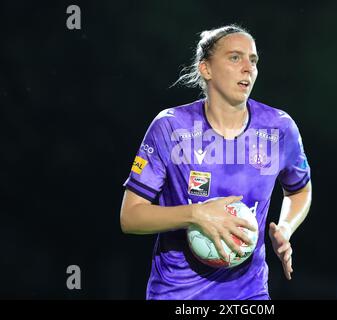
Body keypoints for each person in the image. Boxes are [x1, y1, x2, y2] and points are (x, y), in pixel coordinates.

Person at [120, 24, 312, 300]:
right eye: (235, 57)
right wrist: (196, 215)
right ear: (206, 69)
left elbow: (299, 189)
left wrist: (285, 228)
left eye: (253, 60)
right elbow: (130, 217)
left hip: (249, 295)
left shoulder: (278, 129)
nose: (248, 67)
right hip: (176, 295)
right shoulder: (172, 127)